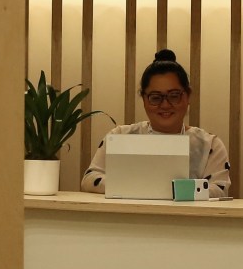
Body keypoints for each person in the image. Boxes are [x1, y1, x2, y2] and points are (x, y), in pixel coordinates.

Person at [82, 49, 232, 198]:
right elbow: (90, 179)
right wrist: (147, 187)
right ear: (144, 99)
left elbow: (219, 188)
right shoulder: (120, 136)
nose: (165, 105)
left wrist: (165, 189)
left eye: (174, 96)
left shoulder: (209, 145)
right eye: (155, 97)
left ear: (188, 96)